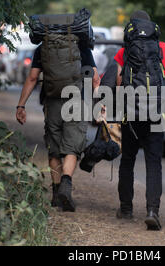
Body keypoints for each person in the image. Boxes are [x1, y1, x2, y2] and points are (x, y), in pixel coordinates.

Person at [16, 40, 100, 212]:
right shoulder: (81, 46)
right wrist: (100, 104)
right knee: (72, 146)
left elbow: (32, 77)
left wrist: (21, 105)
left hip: (52, 102)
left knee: (54, 148)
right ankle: (66, 185)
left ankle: (56, 194)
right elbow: (95, 78)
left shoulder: (43, 48)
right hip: (78, 101)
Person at [114, 10, 165, 230]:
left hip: (131, 110)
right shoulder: (163, 49)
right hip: (157, 111)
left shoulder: (125, 50)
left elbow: (119, 81)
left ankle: (126, 208)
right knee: (153, 162)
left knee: (128, 159)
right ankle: (152, 210)